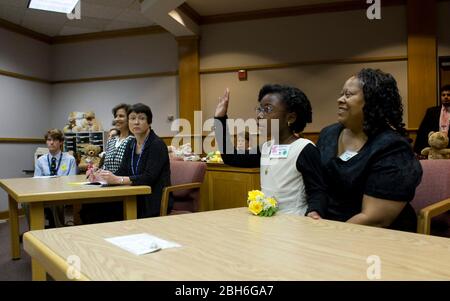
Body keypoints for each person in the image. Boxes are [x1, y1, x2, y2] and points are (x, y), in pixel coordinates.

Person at [317, 68, 422, 232]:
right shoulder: (328, 134)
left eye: (348, 95)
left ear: (372, 101)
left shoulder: (393, 148)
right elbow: (316, 185)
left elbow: (374, 219)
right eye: (341, 94)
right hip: (326, 226)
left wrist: (327, 238)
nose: (340, 100)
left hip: (374, 237)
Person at [214, 84, 328, 219]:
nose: (259, 115)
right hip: (267, 223)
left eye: (267, 109)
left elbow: (317, 191)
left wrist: (314, 211)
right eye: (259, 109)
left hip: (295, 223)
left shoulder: (304, 149)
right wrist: (220, 119)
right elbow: (231, 158)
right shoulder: (266, 147)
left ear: (290, 118)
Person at [84, 103, 171, 222]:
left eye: (141, 118)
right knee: (89, 207)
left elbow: (149, 177)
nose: (136, 122)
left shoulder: (156, 144)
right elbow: (123, 170)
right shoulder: (131, 144)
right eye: (132, 118)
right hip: (133, 194)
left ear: (149, 122)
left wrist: (118, 180)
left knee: (100, 211)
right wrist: (102, 177)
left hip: (152, 198)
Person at [34, 129, 77, 227]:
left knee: (54, 201)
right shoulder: (41, 160)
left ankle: (58, 228)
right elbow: (36, 181)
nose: (51, 142)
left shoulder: (70, 159)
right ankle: (35, 229)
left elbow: (72, 180)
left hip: (62, 191)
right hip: (44, 191)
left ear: (61, 142)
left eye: (55, 140)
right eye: (49, 140)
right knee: (25, 203)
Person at [413, 84, 450, 155]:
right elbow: (422, 131)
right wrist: (416, 150)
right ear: (441, 97)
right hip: (434, 148)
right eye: (443, 95)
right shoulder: (431, 111)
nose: (446, 97)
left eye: (448, 95)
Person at [101, 104, 135, 173]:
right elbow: (105, 165)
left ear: (129, 119)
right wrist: (97, 171)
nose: (117, 119)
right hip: (107, 181)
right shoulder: (111, 140)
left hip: (125, 181)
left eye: (121, 116)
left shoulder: (133, 140)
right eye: (116, 116)